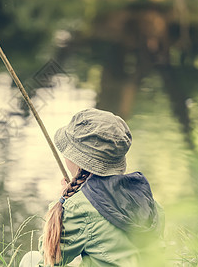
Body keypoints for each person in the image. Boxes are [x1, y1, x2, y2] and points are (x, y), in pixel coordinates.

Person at [20, 108, 164, 267]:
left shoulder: (79, 207)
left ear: (75, 157)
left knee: (31, 260)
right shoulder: (145, 198)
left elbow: (49, 260)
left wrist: (62, 200)